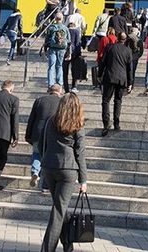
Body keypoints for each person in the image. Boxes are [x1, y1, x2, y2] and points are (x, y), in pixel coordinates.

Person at [39, 93, 87, 252]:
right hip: (68, 169)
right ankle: (47, 249)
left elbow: (41, 144)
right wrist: (83, 180)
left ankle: (67, 245)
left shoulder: (50, 121)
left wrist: (45, 161)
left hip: (49, 167)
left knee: (61, 207)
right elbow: (80, 153)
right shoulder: (78, 124)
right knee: (59, 211)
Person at [25, 85, 63, 188]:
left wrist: (28, 135)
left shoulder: (39, 100)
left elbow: (32, 119)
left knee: (37, 154)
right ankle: (44, 184)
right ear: (60, 92)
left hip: (38, 133)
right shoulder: (62, 102)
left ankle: (35, 171)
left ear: (49, 91)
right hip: (53, 134)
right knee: (48, 157)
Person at [101, 32, 132, 137]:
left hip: (109, 77)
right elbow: (130, 69)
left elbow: (103, 62)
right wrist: (130, 82)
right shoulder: (128, 50)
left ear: (117, 38)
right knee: (118, 101)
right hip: (121, 79)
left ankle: (106, 123)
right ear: (125, 39)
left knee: (106, 101)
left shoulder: (109, 48)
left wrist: (99, 74)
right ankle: (116, 123)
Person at [45, 13, 70, 88]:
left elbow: (47, 39)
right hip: (62, 49)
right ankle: (60, 83)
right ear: (62, 19)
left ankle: (50, 84)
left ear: (55, 18)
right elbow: (69, 41)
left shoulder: (51, 27)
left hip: (52, 48)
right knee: (59, 66)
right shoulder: (65, 28)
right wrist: (69, 52)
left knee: (51, 66)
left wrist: (45, 49)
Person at [62, 20, 82, 93]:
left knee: (65, 71)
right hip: (74, 54)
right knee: (74, 70)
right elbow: (78, 43)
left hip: (65, 53)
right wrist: (79, 54)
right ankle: (74, 86)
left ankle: (66, 87)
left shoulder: (65, 31)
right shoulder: (76, 32)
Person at [126, 26, 144, 94]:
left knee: (126, 71)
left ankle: (127, 84)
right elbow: (141, 51)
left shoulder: (127, 38)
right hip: (134, 58)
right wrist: (137, 56)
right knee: (132, 72)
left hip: (127, 57)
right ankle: (131, 85)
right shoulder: (139, 40)